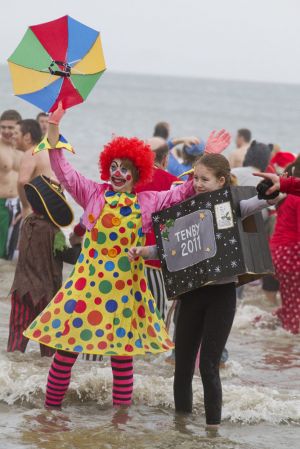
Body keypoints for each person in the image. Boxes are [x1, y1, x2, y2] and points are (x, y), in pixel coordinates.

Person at [23, 103, 230, 410]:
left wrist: (206, 157)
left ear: (136, 173)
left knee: (121, 359)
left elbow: (186, 191)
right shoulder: (93, 193)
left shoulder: (148, 201)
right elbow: (63, 170)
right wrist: (53, 128)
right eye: (114, 167)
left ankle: (121, 424)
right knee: (65, 352)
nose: (118, 173)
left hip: (124, 291)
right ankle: (50, 415)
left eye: (125, 169)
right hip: (86, 287)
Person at [129, 153, 278, 429]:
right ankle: (181, 428)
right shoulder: (184, 207)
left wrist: (270, 193)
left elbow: (257, 203)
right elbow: (170, 247)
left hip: (221, 297)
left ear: (221, 181)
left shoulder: (233, 203)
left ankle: (213, 431)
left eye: (204, 179)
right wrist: (143, 251)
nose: (197, 183)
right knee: (182, 368)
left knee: (208, 367)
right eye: (195, 177)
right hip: (191, 294)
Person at [8, 175, 82, 356]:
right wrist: (77, 242)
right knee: (48, 339)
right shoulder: (54, 232)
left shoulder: (27, 223)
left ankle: (11, 365)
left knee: (17, 337)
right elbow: (72, 258)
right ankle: (44, 370)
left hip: (21, 289)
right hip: (46, 294)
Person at [135, 137, 179, 320]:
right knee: (155, 321)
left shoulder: (128, 180)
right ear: (166, 159)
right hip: (156, 263)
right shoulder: (174, 183)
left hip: (125, 259)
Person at [258, 156, 300, 334]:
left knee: (291, 302)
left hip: (279, 254)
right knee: (294, 308)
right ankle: (287, 352)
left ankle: (260, 323)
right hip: (291, 253)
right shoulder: (296, 198)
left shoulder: (290, 195)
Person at [13, 119, 56, 219]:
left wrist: (25, 206)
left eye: (16, 133)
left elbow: (22, 181)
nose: (13, 136)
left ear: (27, 137)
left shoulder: (30, 154)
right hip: (47, 209)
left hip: (37, 212)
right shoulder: (42, 151)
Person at [0, 109, 22, 259]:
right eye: (3, 127)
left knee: (11, 251)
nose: (6, 131)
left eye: (10, 127)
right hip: (1, 204)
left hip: (18, 205)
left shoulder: (23, 148)